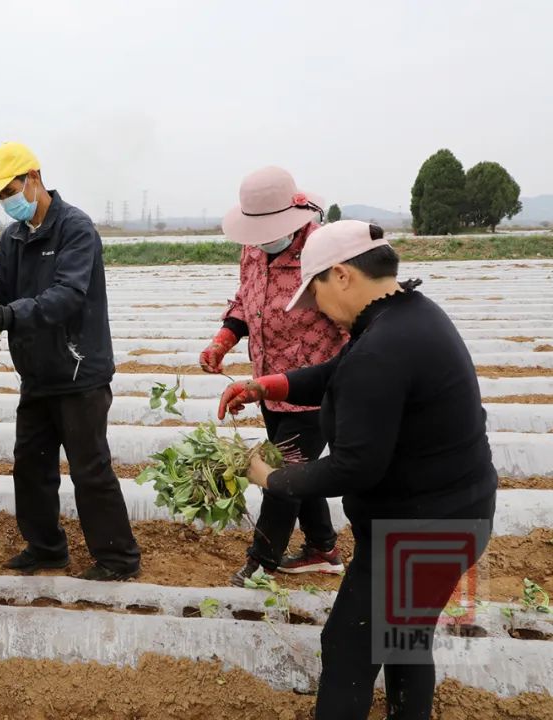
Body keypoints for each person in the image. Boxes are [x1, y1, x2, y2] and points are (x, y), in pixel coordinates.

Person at [218, 220, 497, 719]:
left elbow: (353, 468)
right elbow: (337, 373)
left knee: (348, 648)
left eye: (317, 292)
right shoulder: (408, 316)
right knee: (403, 640)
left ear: (342, 276)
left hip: (421, 532)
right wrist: (270, 385)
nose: (317, 307)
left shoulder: (384, 346)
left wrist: (270, 478)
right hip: (447, 518)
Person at [0, 141, 141, 581]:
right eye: (0, 195)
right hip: (38, 373)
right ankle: (45, 548)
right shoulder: (15, 237)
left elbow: (66, 295)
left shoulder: (75, 229)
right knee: (31, 465)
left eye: (10, 190)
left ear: (34, 180)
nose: (6, 202)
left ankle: (118, 558)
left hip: (80, 371)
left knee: (90, 468)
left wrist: (6, 316)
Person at [204, 166, 347, 586]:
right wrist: (222, 339)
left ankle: (261, 563)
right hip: (266, 385)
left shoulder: (323, 252)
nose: (263, 238)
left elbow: (352, 317)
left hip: (312, 388)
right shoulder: (252, 249)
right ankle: (323, 549)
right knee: (298, 471)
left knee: (280, 476)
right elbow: (246, 301)